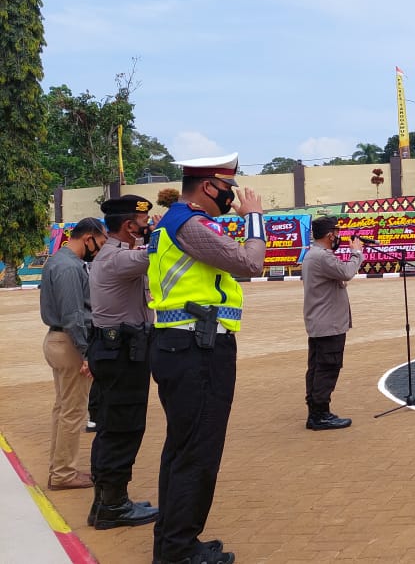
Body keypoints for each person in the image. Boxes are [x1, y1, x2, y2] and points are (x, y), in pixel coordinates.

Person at [147, 153, 264, 564]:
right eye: (229, 190)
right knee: (197, 451)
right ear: (209, 187)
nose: (234, 198)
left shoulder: (176, 223)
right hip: (197, 349)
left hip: (184, 346)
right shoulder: (188, 224)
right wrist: (254, 219)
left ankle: (173, 542)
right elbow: (251, 264)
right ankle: (178, 551)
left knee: (182, 448)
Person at [87, 196, 160, 529]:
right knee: (123, 426)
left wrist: (151, 233)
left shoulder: (114, 255)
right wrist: (165, 230)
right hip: (122, 353)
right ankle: (113, 505)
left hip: (115, 350)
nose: (147, 225)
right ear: (130, 225)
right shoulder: (119, 259)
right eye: (143, 221)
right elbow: (158, 253)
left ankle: (106, 501)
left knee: (112, 425)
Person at [40, 217, 106, 492]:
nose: (99, 249)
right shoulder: (68, 267)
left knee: (63, 408)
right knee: (73, 411)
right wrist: (86, 352)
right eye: (99, 243)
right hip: (69, 342)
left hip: (59, 340)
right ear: (88, 237)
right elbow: (73, 314)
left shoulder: (58, 261)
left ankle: (60, 467)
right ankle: (64, 474)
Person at [301, 217, 365, 430]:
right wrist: (356, 252)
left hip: (320, 322)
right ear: (330, 235)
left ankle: (317, 410)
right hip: (329, 323)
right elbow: (347, 272)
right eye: (336, 233)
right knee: (328, 367)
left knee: (317, 367)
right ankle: (319, 414)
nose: (338, 237)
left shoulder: (314, 255)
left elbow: (339, 276)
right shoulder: (322, 257)